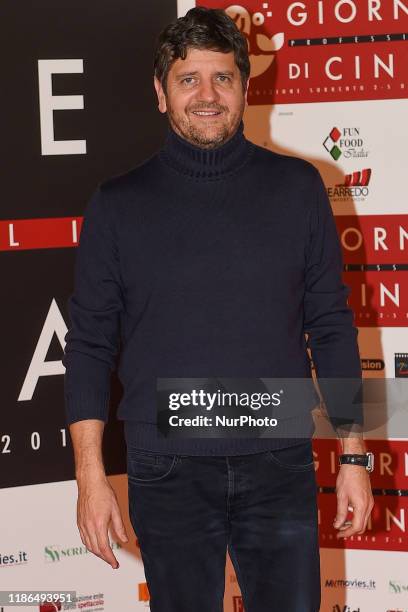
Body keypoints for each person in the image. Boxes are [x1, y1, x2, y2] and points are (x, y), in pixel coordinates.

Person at [62, 6, 374, 611]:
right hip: (167, 467)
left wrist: (354, 456)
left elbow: (331, 325)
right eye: (188, 79)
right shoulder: (117, 204)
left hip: (278, 459)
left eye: (222, 78)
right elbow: (90, 344)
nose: (206, 95)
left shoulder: (299, 188)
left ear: (244, 87)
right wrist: (90, 477)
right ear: (160, 93)